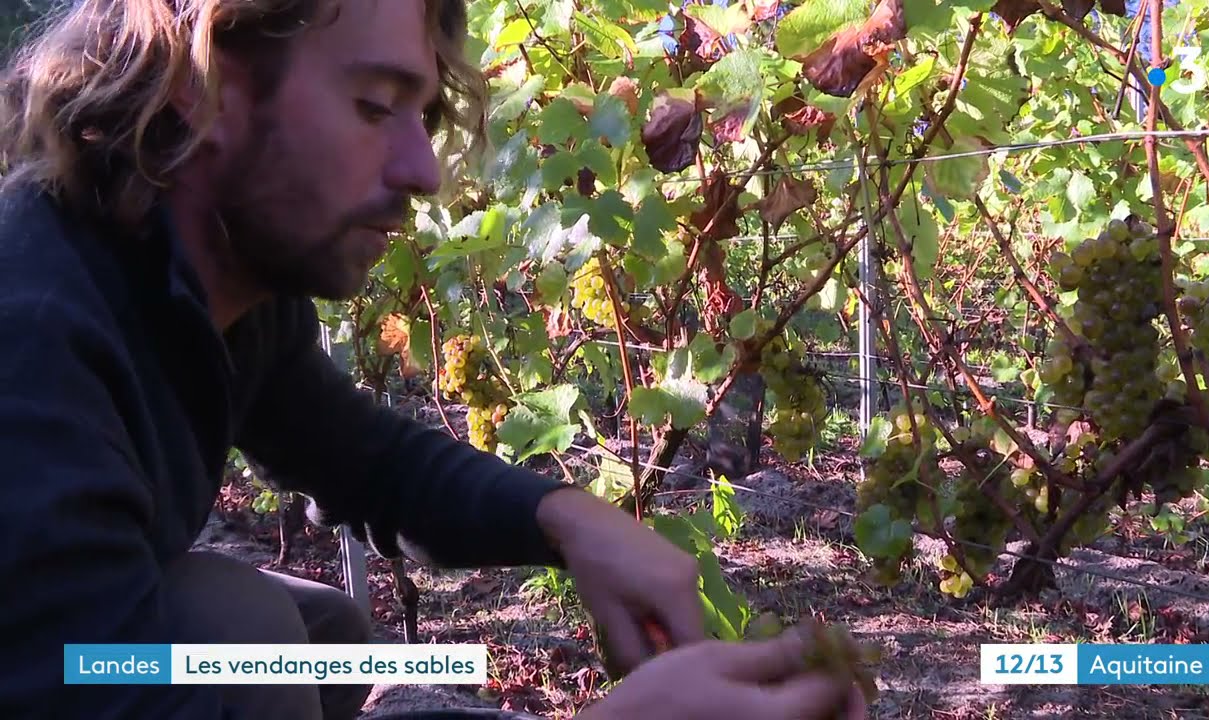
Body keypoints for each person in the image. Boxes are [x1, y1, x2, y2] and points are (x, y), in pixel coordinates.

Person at [0, 1, 867, 719]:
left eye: (425, 118)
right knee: (240, 632)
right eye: (376, 106)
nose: (422, 170)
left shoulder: (211, 284)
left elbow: (368, 463)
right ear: (202, 88)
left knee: (324, 641)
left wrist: (568, 520)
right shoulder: (32, 344)